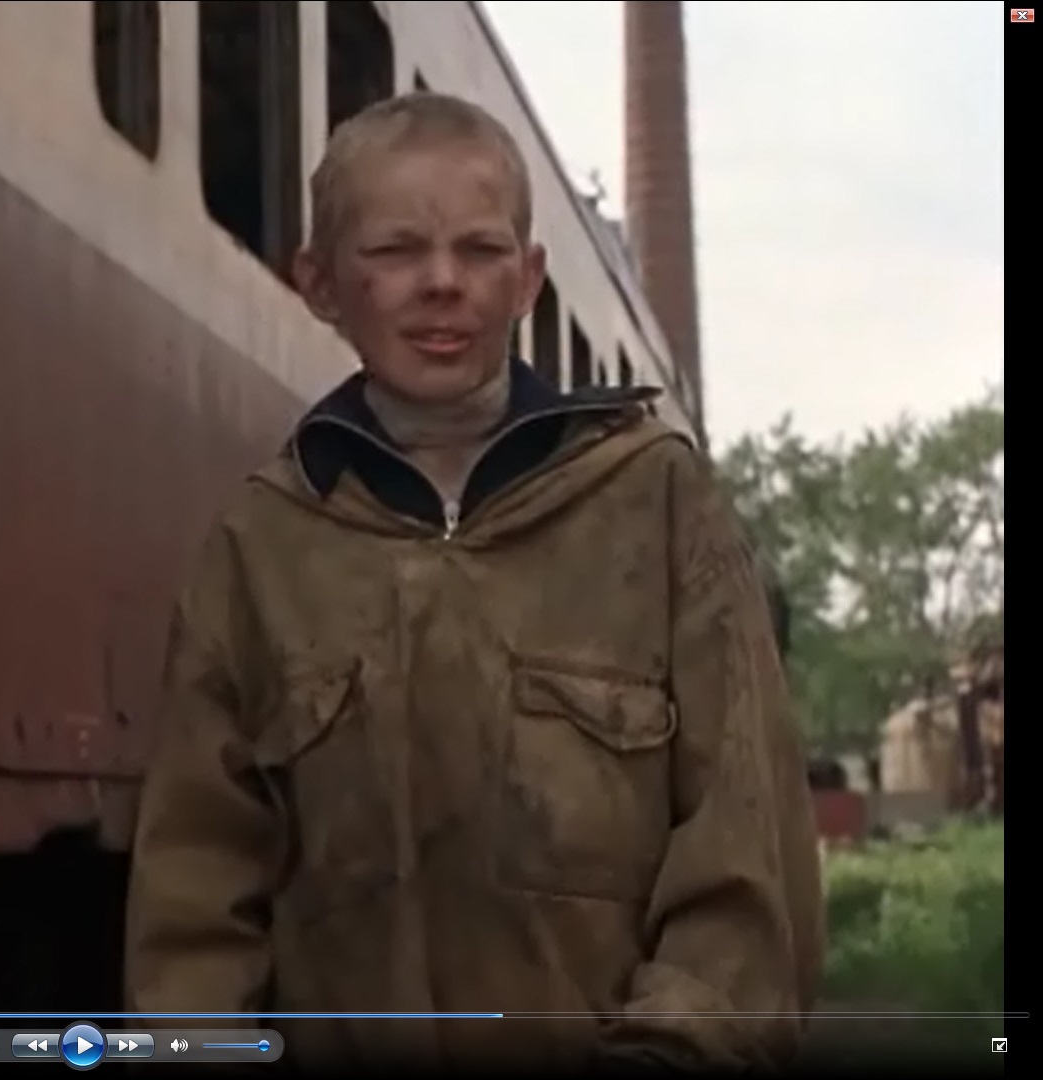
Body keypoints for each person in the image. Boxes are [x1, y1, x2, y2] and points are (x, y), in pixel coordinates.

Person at [123, 92, 823, 1072]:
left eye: (481, 251)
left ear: (528, 279)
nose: (443, 283)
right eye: (396, 250)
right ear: (320, 283)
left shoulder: (656, 506)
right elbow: (194, 901)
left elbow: (748, 856)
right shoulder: (262, 547)